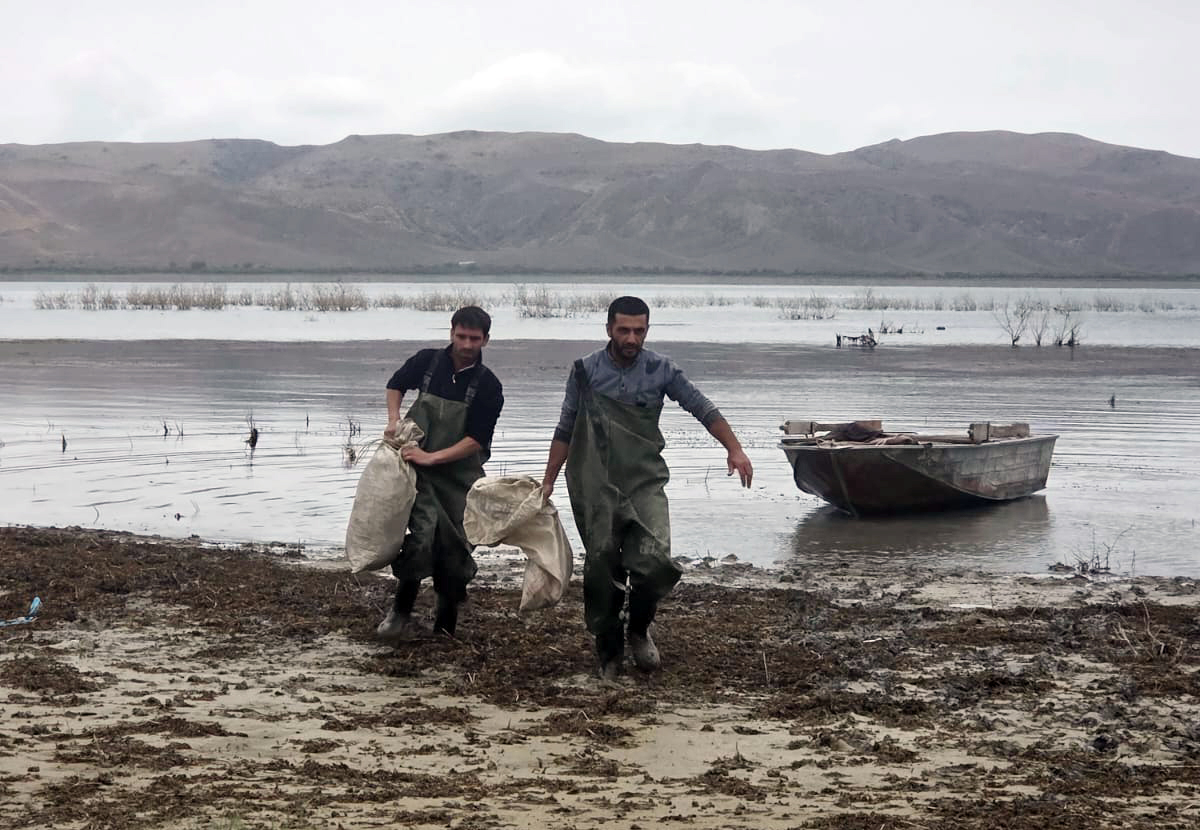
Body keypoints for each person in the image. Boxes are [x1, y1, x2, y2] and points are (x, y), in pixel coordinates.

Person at [540, 296, 753, 680]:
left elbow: (701, 407)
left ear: (647, 331)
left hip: (644, 480)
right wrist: (549, 479)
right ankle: (607, 648)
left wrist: (734, 448)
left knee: (655, 561)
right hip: (596, 484)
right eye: (624, 329)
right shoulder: (585, 371)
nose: (631, 338)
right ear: (609, 329)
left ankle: (638, 628)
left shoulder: (661, 370)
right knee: (601, 562)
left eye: (639, 330)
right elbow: (566, 425)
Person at [376, 306, 504, 640]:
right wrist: (394, 419)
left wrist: (433, 457)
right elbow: (396, 385)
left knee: (455, 548)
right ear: (451, 333)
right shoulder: (427, 362)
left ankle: (446, 625)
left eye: (474, 339)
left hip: (461, 478)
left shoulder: (489, 386)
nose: (466, 344)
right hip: (416, 473)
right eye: (460, 336)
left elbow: (475, 440)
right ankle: (400, 612)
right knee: (421, 537)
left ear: (485, 340)